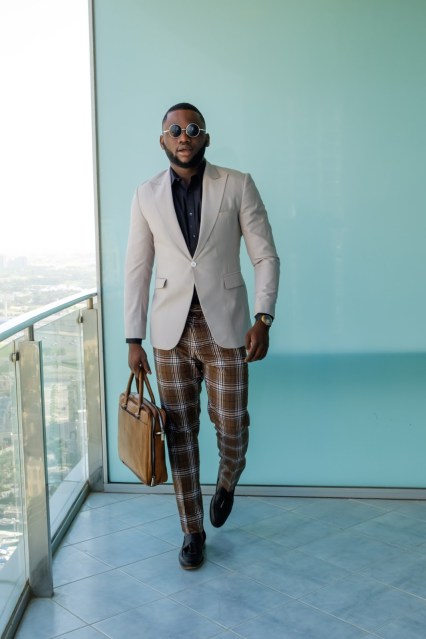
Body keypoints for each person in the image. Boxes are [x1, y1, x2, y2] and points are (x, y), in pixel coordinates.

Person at [125, 102, 280, 569]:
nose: (183, 136)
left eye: (192, 129)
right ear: (162, 140)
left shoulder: (237, 184)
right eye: (174, 130)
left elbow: (265, 256)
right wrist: (133, 338)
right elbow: (138, 269)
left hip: (228, 325)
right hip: (169, 332)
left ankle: (228, 478)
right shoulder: (146, 194)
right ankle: (192, 530)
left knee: (231, 424)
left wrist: (263, 317)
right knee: (180, 434)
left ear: (206, 138)